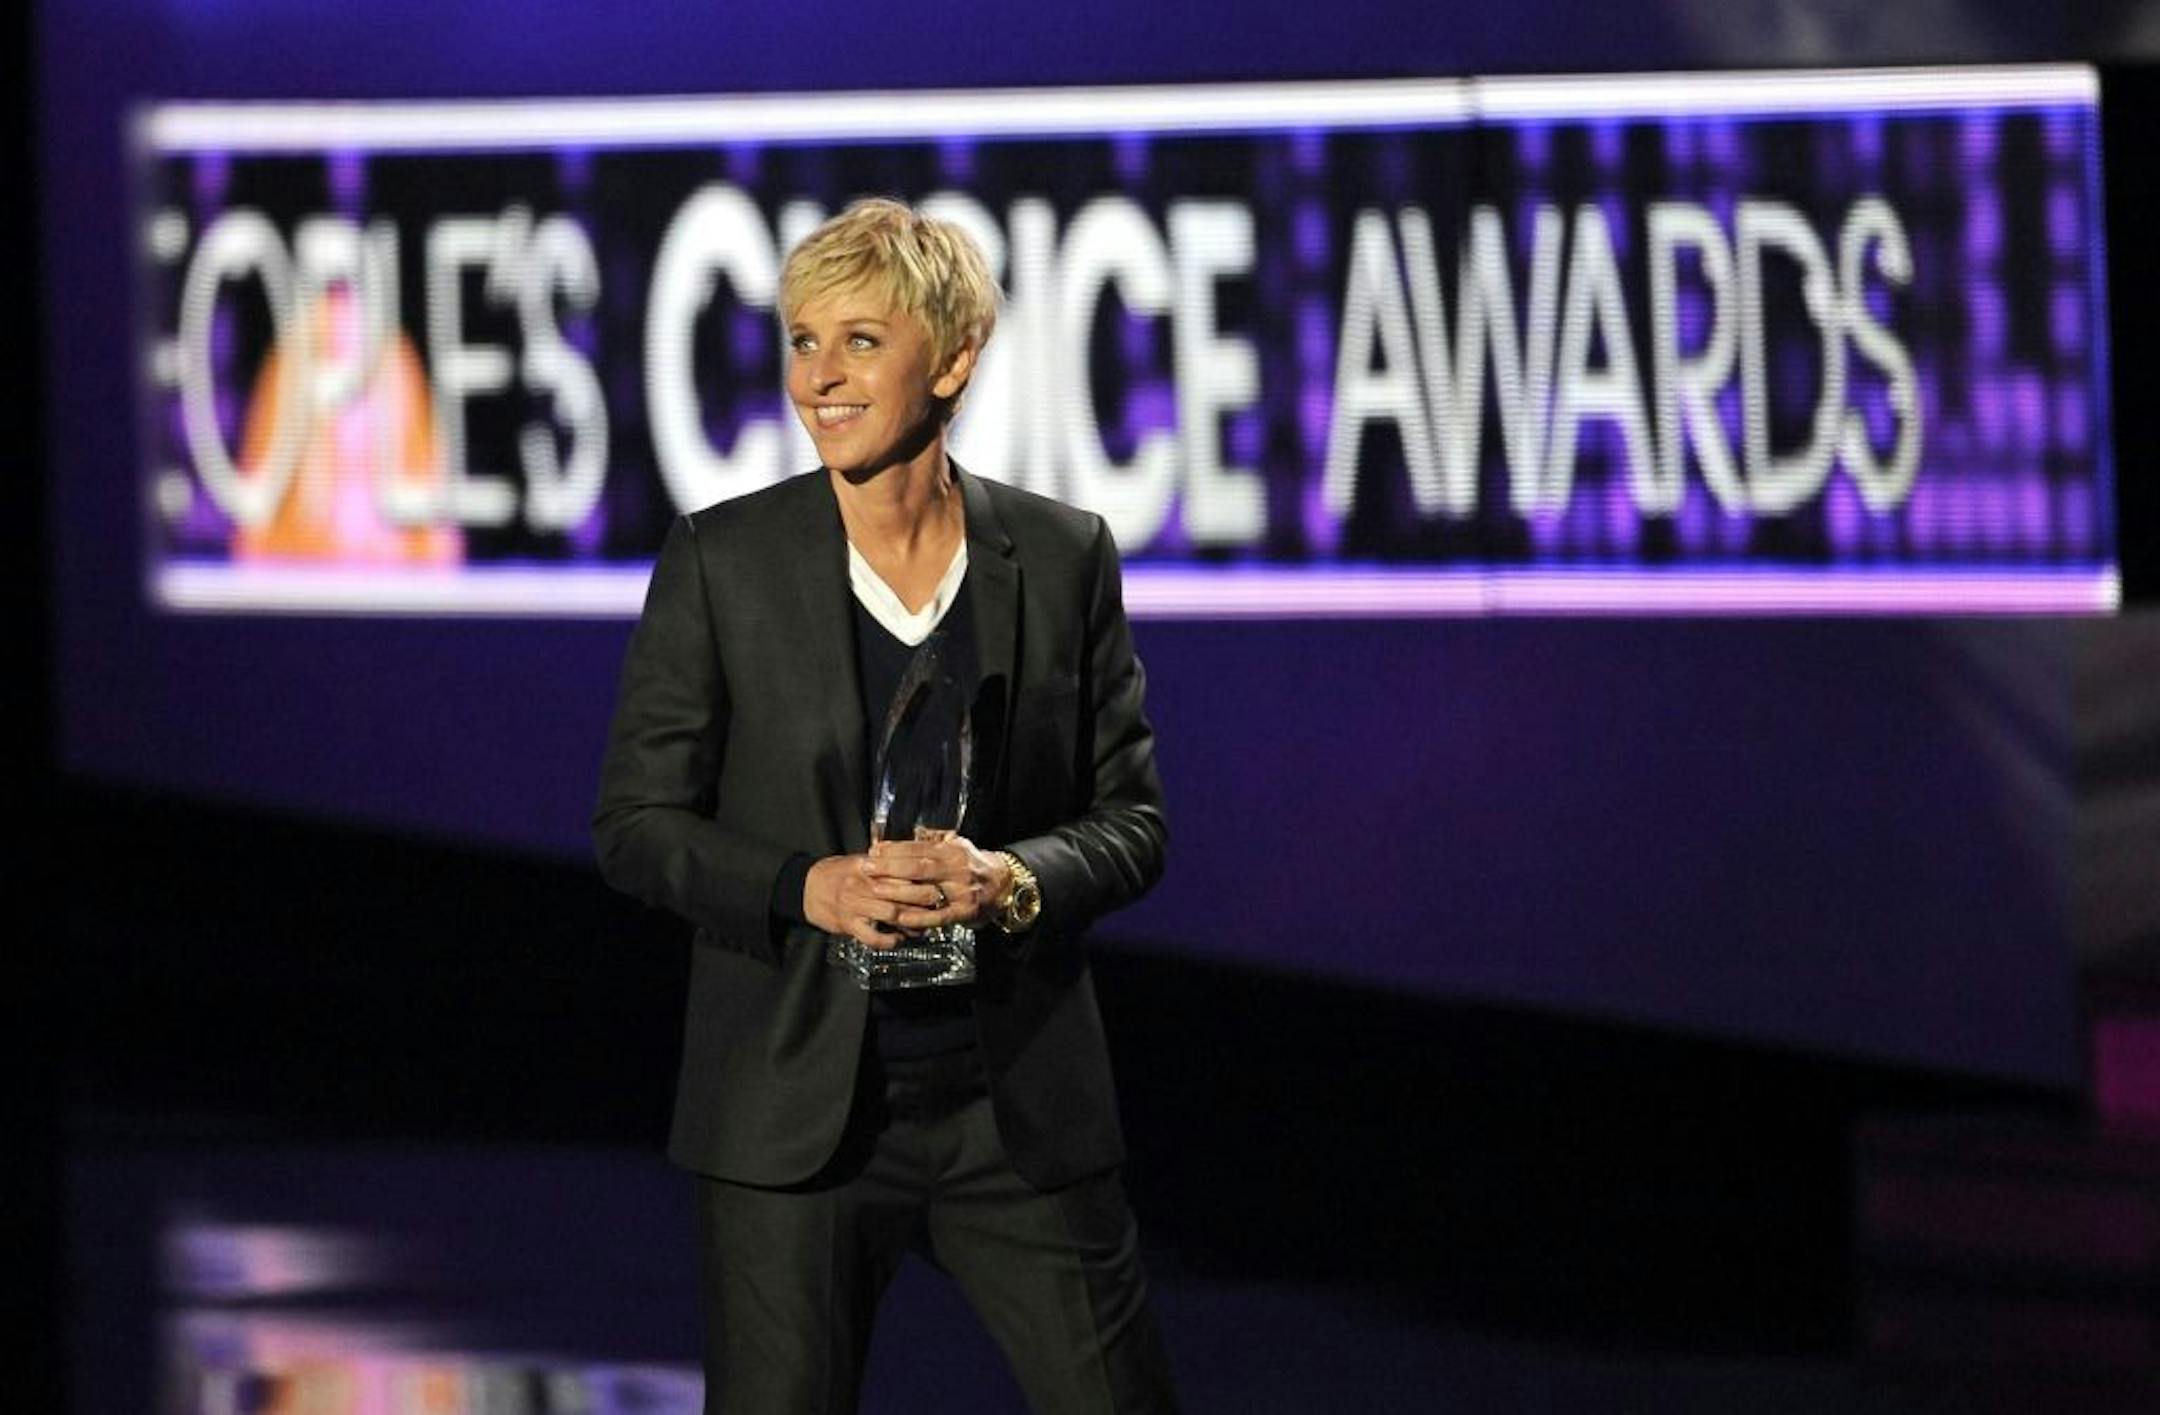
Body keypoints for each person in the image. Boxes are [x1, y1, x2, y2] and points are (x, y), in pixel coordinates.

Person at [592, 197, 1180, 1414]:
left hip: (1013, 1111)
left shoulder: (1061, 555)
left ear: (954, 358)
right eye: (804, 342)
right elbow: (638, 826)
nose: (821, 378)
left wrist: (1009, 879)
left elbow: (1132, 820)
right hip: (793, 1120)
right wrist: (807, 885)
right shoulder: (722, 561)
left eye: (860, 341)